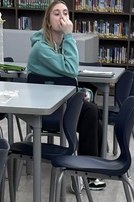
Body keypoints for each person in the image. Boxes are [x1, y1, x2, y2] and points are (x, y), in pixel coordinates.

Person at [27, 1, 106, 191]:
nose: (62, 18)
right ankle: (85, 173)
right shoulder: (41, 48)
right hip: (47, 110)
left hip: (61, 104)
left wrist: (81, 95)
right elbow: (71, 70)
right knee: (91, 114)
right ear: (47, 21)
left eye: (65, 13)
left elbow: (62, 81)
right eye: (56, 14)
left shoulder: (60, 45)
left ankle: (91, 169)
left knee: (94, 115)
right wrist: (70, 36)